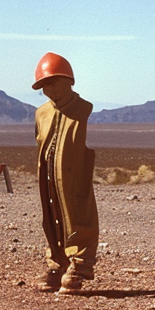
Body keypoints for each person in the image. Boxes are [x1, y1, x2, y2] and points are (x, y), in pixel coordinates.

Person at [32, 52, 98, 293]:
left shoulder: (83, 109)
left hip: (74, 177)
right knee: (51, 219)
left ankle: (79, 267)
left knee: (79, 216)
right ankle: (57, 263)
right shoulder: (42, 113)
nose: (49, 90)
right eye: (44, 86)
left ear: (69, 81)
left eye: (54, 83)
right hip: (48, 178)